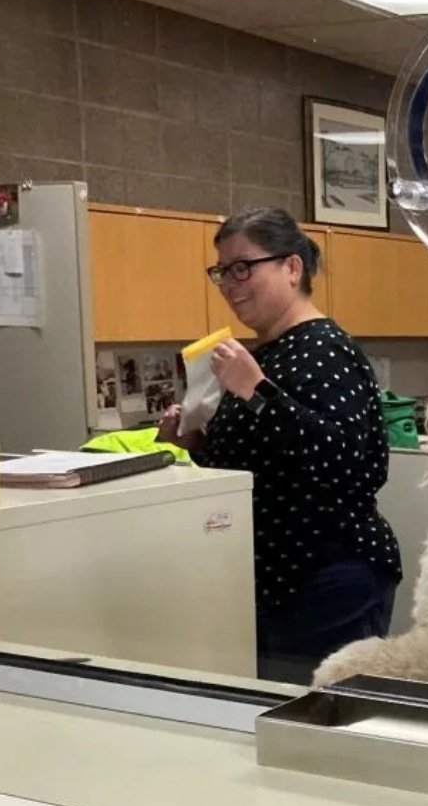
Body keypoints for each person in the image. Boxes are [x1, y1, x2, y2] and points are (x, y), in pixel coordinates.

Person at [161, 207, 401, 684]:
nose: (230, 284)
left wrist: (257, 391)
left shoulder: (324, 348)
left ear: (292, 268)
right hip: (272, 582)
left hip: (329, 578)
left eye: (243, 267)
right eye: (222, 271)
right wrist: (191, 441)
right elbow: (260, 465)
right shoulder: (264, 354)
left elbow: (347, 463)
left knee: (325, 727)